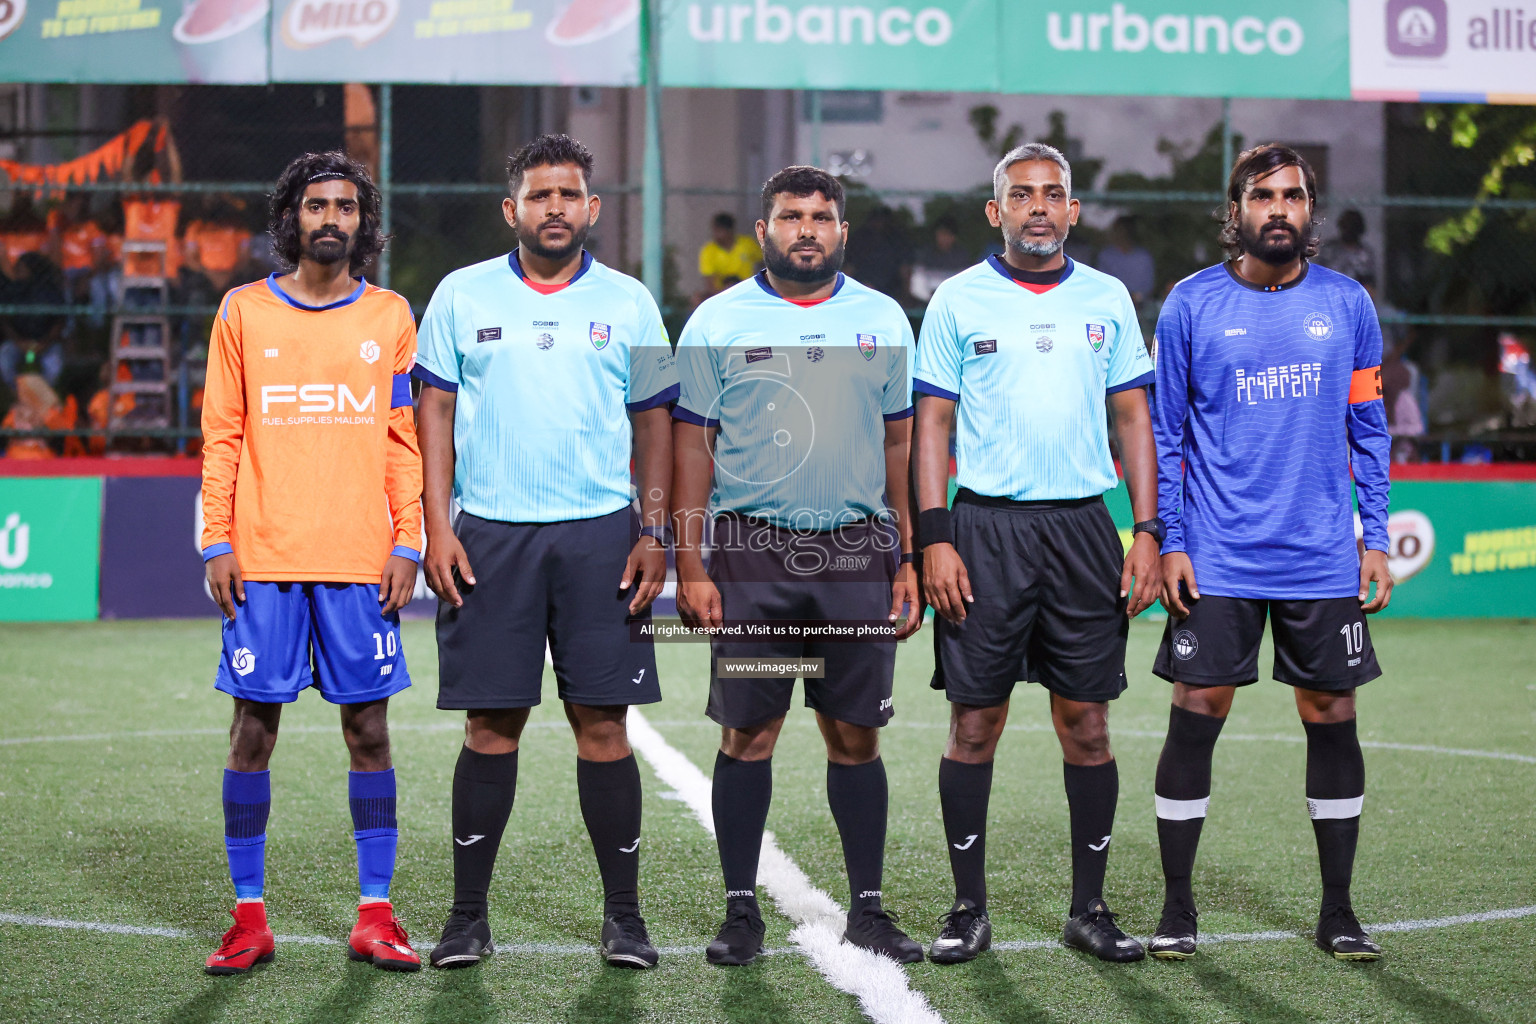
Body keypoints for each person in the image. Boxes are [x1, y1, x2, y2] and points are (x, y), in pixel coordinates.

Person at [413, 134, 676, 971]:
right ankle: (465, 919)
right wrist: (437, 525)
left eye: (569, 195)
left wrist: (654, 529)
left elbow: (657, 423)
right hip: (489, 536)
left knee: (603, 726)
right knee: (492, 725)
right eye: (540, 195)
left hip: (602, 535)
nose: (555, 207)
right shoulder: (461, 294)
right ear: (512, 210)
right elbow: (433, 421)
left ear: (592, 208)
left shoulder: (631, 301)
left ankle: (625, 920)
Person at [912, 143, 1161, 966]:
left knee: (1087, 724)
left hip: (1087, 530)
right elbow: (933, 428)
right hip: (985, 531)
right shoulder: (957, 299)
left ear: (1074, 210)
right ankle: (967, 909)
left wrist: (1148, 532)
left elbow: (1133, 420)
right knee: (974, 722)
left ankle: (1090, 911)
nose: (1040, 208)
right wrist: (935, 535)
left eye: (1054, 194)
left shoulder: (1107, 297)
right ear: (998, 212)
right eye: (1022, 196)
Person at [672, 165, 924, 967]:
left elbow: (900, 445)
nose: (806, 228)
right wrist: (693, 563)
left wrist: (909, 555)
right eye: (791, 216)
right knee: (749, 732)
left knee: (855, 734)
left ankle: (870, 909)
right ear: (764, 230)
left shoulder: (882, 318)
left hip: (855, 553)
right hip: (751, 556)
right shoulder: (717, 320)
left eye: (821, 216)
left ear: (841, 231)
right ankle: (740, 910)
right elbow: (688, 445)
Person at [1148, 144, 1392, 963]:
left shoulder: (1349, 305)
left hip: (1322, 555)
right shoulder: (1190, 306)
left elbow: (1369, 429)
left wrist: (1377, 538)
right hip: (1216, 556)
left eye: (1293, 196)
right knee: (1198, 715)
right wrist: (1171, 541)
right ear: (1236, 210)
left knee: (1332, 715)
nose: (1279, 209)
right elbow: (1166, 436)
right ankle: (1178, 908)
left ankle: (1338, 911)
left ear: (1309, 210)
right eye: (1263, 195)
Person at [199, 151, 424, 975]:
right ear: (291, 216)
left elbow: (404, 444)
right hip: (262, 559)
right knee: (252, 731)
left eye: (345, 208)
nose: (330, 219)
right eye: (315, 205)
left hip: (362, 561)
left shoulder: (391, 316)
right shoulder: (243, 311)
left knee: (369, 730)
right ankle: (249, 917)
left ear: (364, 223)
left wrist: (409, 541)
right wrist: (216, 540)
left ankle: (375, 913)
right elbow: (222, 434)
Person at [846, 205, 913, 304]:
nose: (879, 224)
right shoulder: (859, 240)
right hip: (860, 296)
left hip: (892, 296)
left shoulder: (898, 241)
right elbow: (848, 270)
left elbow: (905, 272)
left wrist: (904, 297)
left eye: (883, 220)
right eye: (876, 220)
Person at [696, 212, 761, 299]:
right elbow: (709, 282)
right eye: (714, 231)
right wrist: (724, 293)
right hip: (721, 293)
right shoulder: (708, 250)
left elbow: (764, 261)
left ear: (729, 230)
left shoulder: (747, 244)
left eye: (719, 231)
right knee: (697, 298)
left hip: (748, 290)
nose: (715, 235)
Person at [1095, 215, 1155, 307]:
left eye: (1124, 230)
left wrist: (1137, 298)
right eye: (1118, 230)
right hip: (1111, 304)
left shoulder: (1143, 257)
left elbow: (1148, 286)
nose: (1121, 234)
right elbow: (1102, 283)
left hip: (1140, 307)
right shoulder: (1106, 256)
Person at [909, 215, 971, 303]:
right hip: (926, 303)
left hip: (956, 302)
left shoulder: (962, 256)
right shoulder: (926, 254)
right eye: (941, 234)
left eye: (948, 234)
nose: (944, 238)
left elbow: (966, 284)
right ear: (936, 235)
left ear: (954, 237)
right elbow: (917, 284)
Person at [1318, 208, 1376, 289]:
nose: (1349, 231)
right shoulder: (1329, 250)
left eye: (1353, 227)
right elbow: (1318, 277)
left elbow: (1368, 285)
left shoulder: (1364, 255)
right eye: (1346, 226)